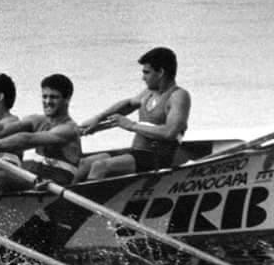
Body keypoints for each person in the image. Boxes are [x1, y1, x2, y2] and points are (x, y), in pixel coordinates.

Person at [0, 74, 83, 196]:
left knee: (2, 177)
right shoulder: (37, 120)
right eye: (44, 96)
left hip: (55, 185)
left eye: (54, 97)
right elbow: (1, 129)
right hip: (35, 179)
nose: (47, 101)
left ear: (67, 99)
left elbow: (26, 139)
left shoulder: (69, 129)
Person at [75, 46, 191, 181]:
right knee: (85, 163)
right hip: (136, 153)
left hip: (157, 158)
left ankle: (94, 198)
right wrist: (98, 120)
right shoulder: (149, 92)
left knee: (100, 166)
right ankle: (60, 200)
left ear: (160, 72)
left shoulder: (178, 96)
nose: (143, 78)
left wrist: (131, 125)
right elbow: (129, 104)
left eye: (146, 72)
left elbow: (169, 132)